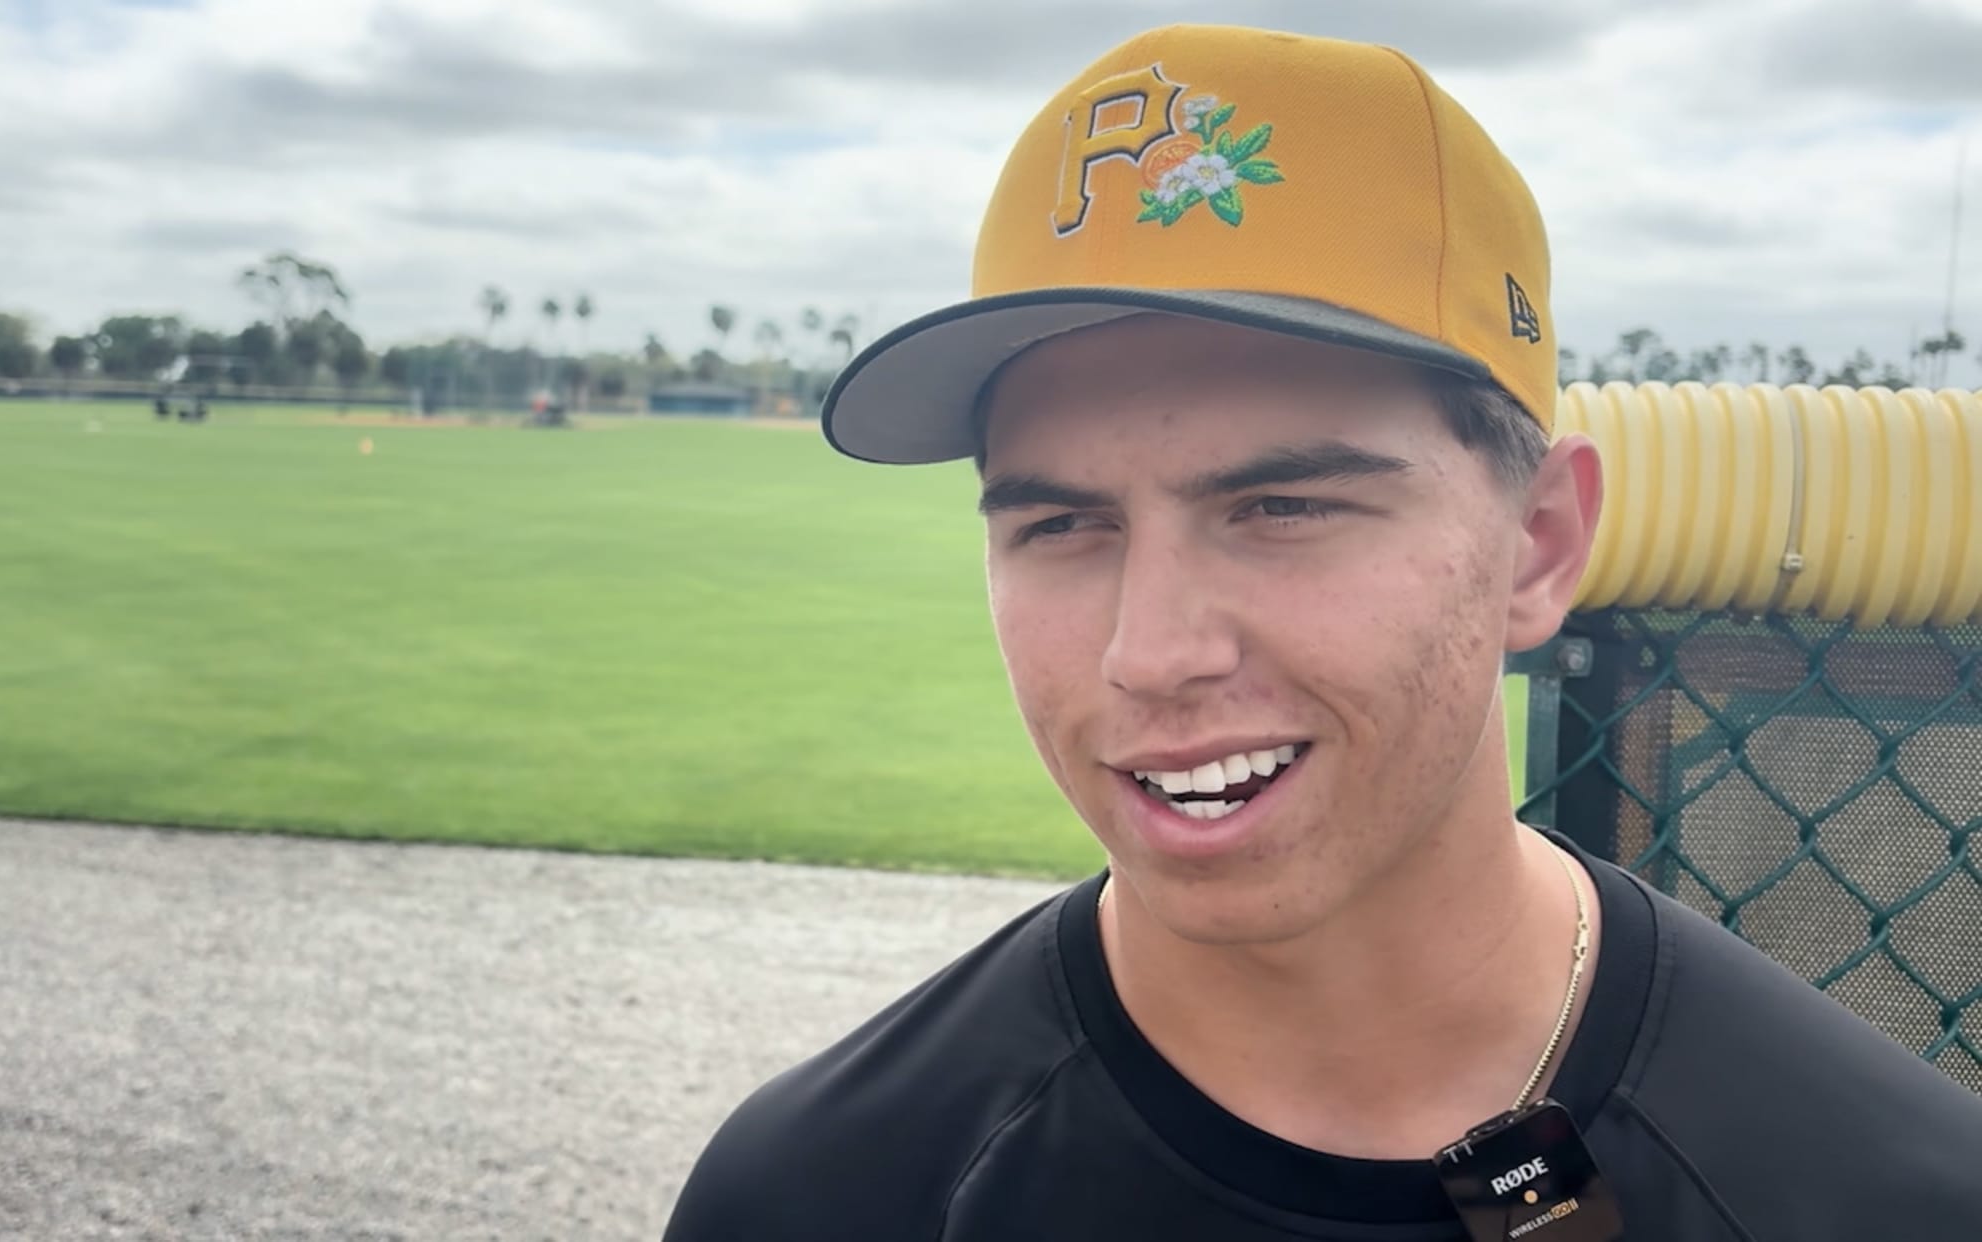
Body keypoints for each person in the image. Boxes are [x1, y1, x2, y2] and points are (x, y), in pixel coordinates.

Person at [662, 23, 1982, 1242]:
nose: (1149, 654)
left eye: (1282, 506)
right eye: (1062, 524)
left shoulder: (1884, 1196)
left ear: (1537, 544)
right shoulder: (822, 1195)